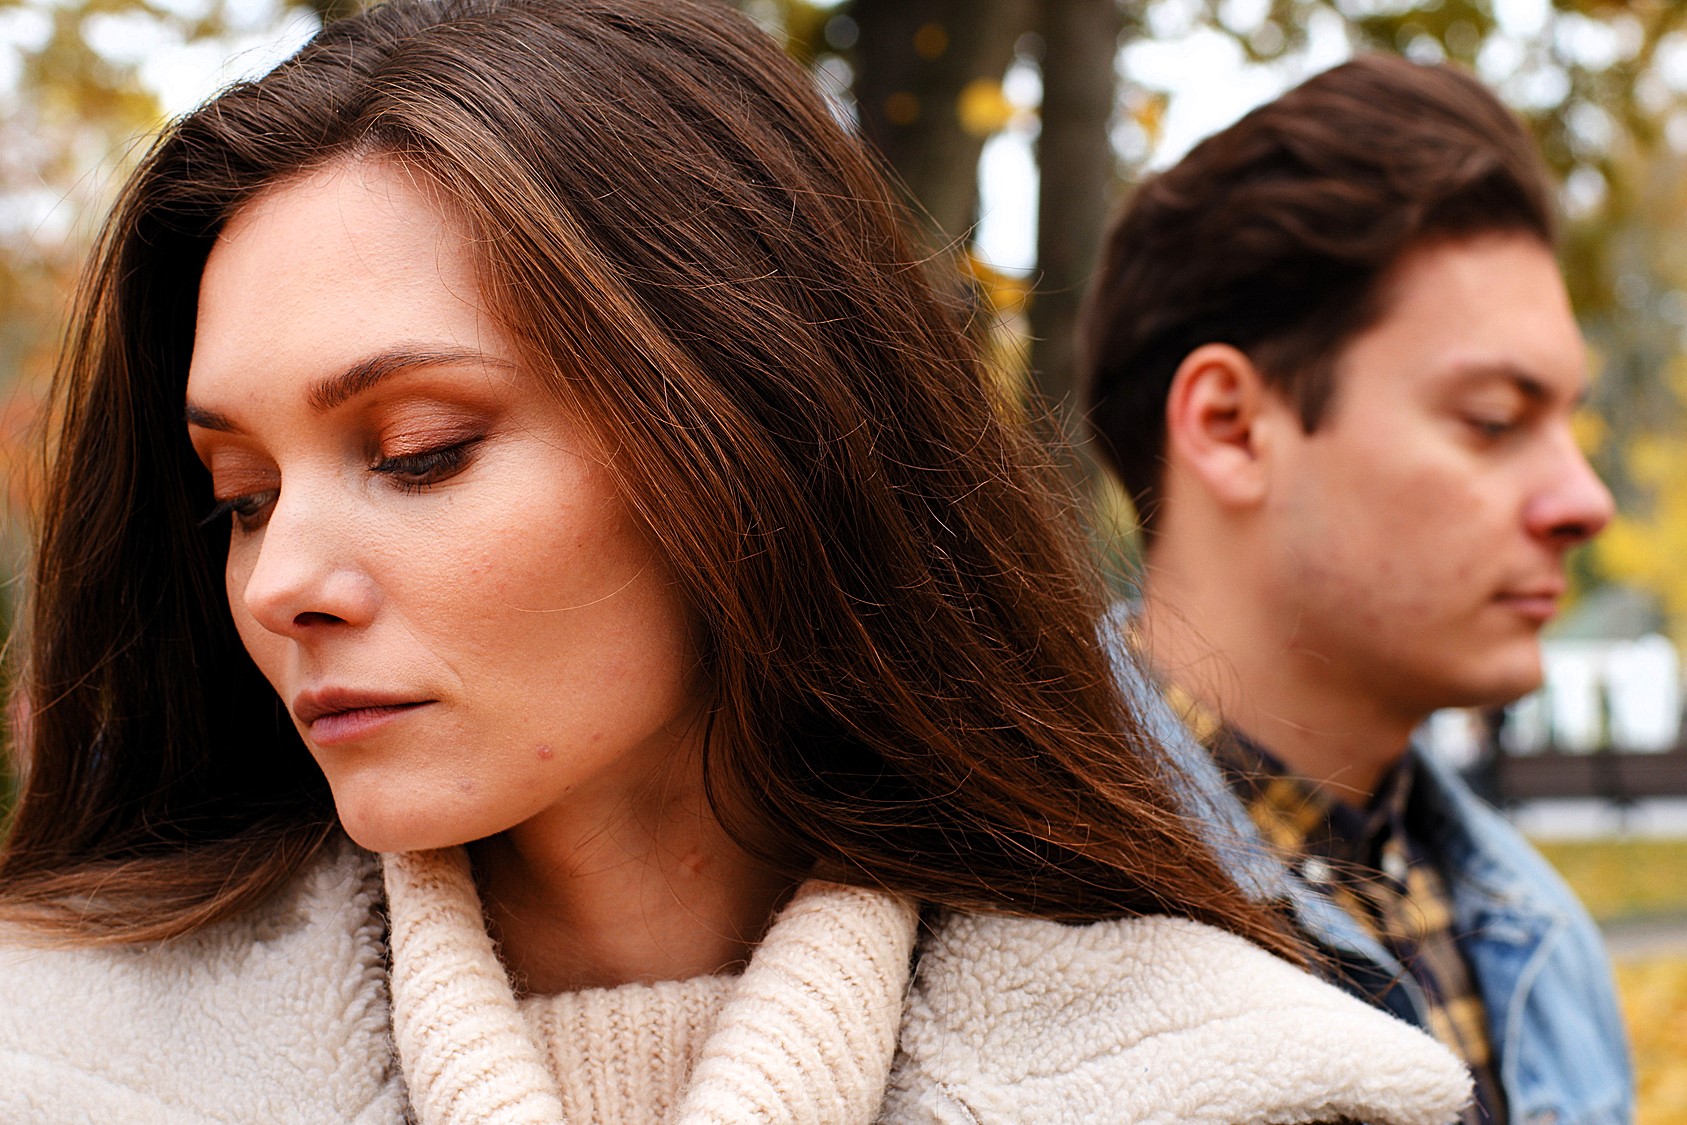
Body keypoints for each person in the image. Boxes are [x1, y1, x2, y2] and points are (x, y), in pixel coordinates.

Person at [0, 3, 1471, 1121]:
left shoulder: (1252, 1089)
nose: (277, 582)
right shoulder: (55, 1065)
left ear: (749, 437)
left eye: (419, 449)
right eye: (240, 493)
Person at [1080, 53, 1630, 1125]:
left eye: (1566, 423)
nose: (1583, 501)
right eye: (1492, 420)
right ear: (1232, 428)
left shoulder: (1534, 935)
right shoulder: (1013, 929)